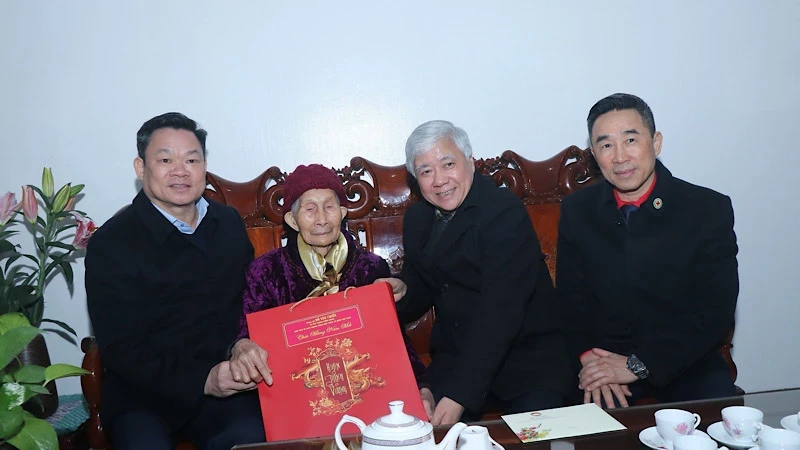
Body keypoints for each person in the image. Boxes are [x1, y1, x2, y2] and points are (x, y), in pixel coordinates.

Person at [85, 113, 265, 450]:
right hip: (143, 396)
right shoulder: (112, 243)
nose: (180, 170)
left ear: (204, 167)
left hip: (227, 385)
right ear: (141, 168)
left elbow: (250, 302)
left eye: (191, 160)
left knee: (255, 439)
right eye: (165, 159)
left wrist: (241, 345)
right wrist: (202, 379)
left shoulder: (227, 223)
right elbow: (121, 348)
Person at [558, 93, 739, 408]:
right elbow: (571, 301)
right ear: (594, 155)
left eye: (630, 140)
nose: (620, 157)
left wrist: (638, 365)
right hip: (605, 361)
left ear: (655, 142)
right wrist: (589, 359)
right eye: (606, 145)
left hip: (685, 361)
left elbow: (715, 313)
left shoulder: (707, 209)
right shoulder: (578, 210)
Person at [392, 120, 573, 425]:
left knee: (537, 438)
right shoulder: (418, 217)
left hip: (527, 359)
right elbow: (424, 284)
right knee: (417, 428)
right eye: (425, 171)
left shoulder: (502, 211)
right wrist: (400, 291)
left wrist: (460, 394)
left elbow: (501, 311)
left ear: (470, 162)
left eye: (448, 164)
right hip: (457, 357)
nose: (439, 181)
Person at [229, 163, 435, 416]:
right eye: (310, 209)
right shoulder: (267, 272)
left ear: (343, 212)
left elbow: (393, 338)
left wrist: (421, 386)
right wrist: (241, 346)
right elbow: (247, 336)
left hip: (367, 386)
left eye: (329, 207)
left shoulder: (370, 267)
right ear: (292, 220)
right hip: (298, 396)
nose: (322, 220)